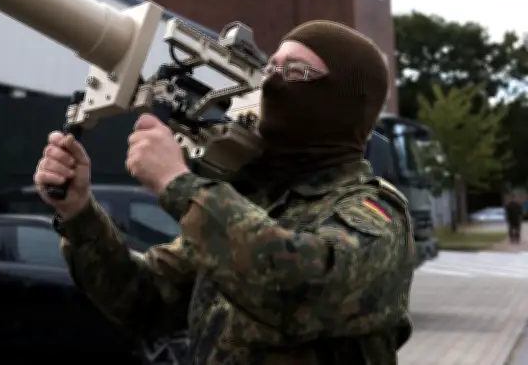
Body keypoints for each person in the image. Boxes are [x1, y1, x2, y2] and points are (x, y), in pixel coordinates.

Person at [34, 20, 416, 364]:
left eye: (295, 71)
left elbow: (297, 290)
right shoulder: (252, 201)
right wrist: (79, 212)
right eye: (271, 67)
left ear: (345, 104)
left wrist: (177, 183)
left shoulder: (374, 213)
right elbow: (143, 300)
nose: (272, 82)